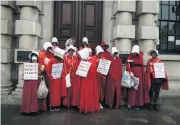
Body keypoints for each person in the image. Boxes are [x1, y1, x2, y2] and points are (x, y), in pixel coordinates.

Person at [79, 48, 100, 114]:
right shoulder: (90, 60)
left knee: (88, 93)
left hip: (90, 80)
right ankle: (86, 108)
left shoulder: (92, 60)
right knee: (87, 93)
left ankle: (88, 108)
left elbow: (94, 70)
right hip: (87, 80)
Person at [126, 45, 145, 111]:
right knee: (132, 88)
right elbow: (127, 65)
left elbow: (141, 64)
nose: (134, 53)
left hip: (139, 74)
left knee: (138, 88)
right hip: (132, 74)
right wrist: (130, 72)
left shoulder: (140, 56)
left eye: (135, 52)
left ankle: (137, 103)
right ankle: (131, 104)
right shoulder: (130, 56)